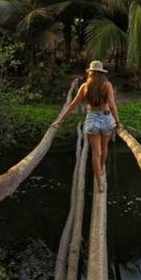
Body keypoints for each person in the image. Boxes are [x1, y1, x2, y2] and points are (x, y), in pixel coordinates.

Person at [53, 61, 122, 192]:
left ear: (90, 72)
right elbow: (112, 105)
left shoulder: (85, 86)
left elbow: (73, 104)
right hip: (107, 118)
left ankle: (99, 183)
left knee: (96, 153)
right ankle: (102, 168)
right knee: (104, 147)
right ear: (102, 73)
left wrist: (60, 120)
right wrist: (118, 122)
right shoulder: (107, 85)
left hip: (92, 119)